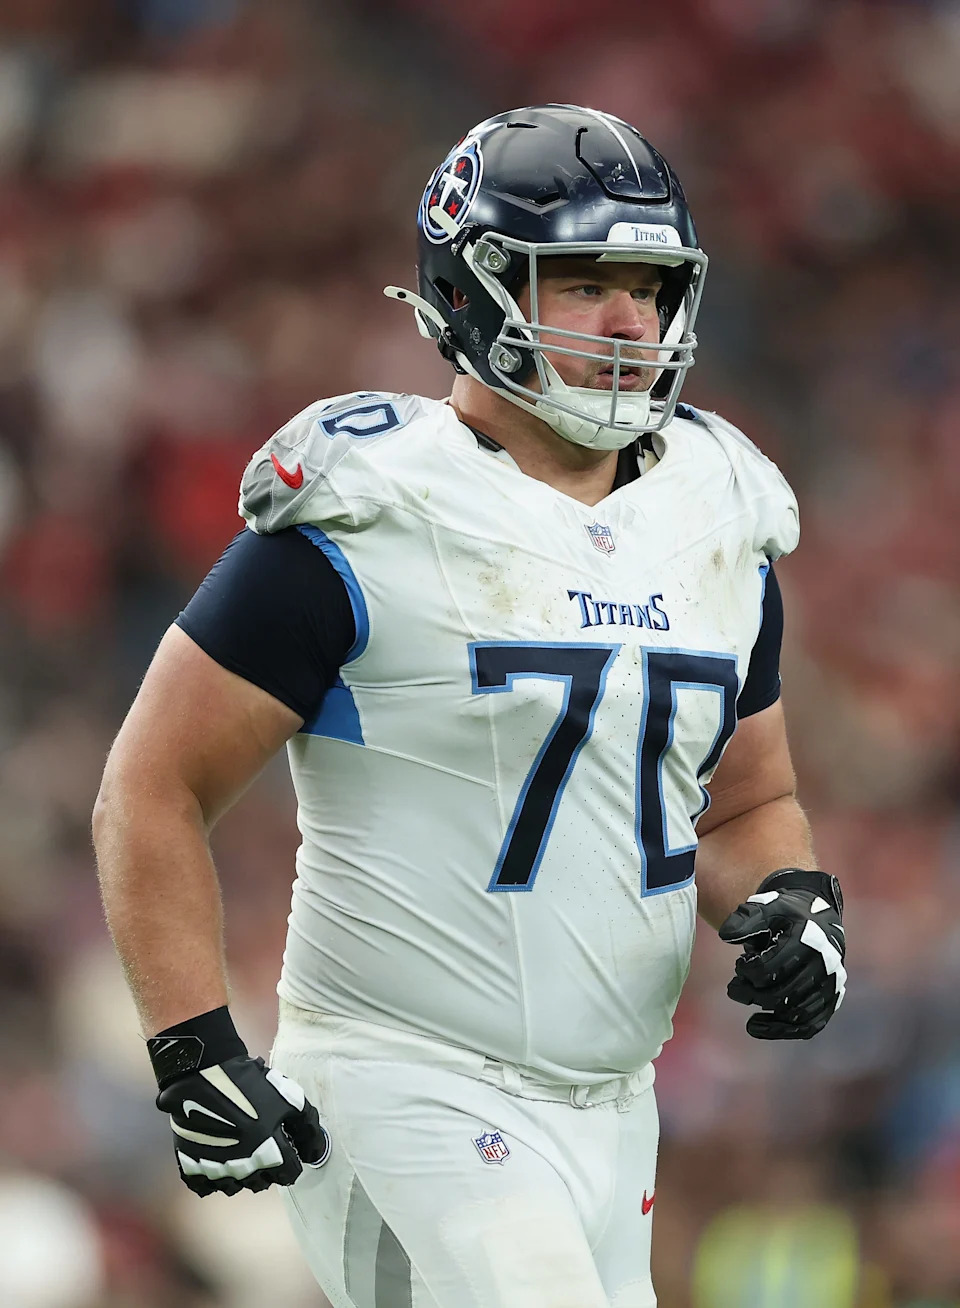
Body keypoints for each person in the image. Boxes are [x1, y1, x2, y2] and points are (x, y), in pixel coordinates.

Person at [93, 104, 847, 1308]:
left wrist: (793, 899)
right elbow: (153, 782)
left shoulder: (718, 512)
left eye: (649, 287)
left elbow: (747, 800)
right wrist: (192, 1042)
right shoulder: (371, 504)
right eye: (581, 282)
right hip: (409, 1085)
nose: (627, 321)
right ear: (477, 291)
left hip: (614, 1112)